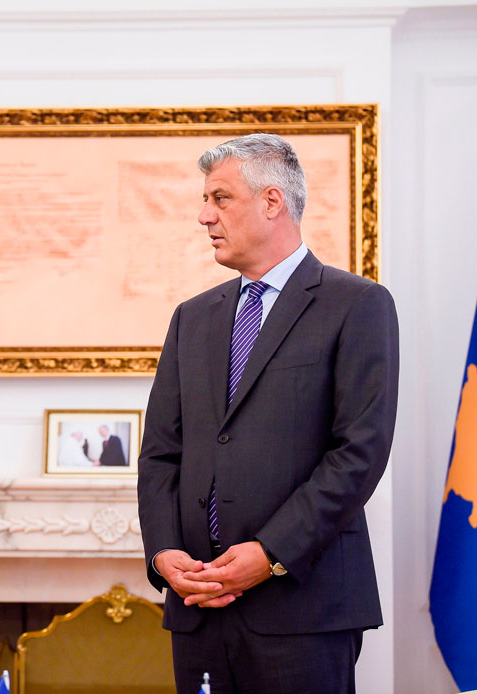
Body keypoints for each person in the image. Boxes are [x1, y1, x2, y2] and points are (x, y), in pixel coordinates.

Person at [136, 133, 398, 694]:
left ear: (272, 201)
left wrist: (271, 554)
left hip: (303, 608)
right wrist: (163, 554)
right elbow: (160, 453)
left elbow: (359, 452)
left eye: (220, 198)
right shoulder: (191, 318)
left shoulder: (357, 304)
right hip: (198, 606)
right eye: (206, 201)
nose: (205, 216)